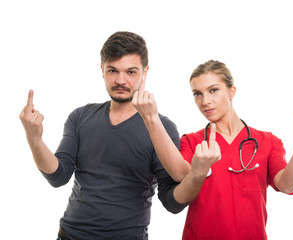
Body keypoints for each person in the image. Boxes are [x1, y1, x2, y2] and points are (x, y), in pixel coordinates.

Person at [19, 31, 189, 240]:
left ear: (145, 73)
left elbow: (171, 201)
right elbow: (58, 176)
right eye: (112, 71)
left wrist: (197, 174)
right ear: (102, 70)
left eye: (131, 72)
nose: (120, 80)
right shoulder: (80, 116)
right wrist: (35, 140)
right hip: (69, 235)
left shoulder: (162, 126)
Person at [133, 59, 293, 239]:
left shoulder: (267, 141)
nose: (205, 101)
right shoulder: (192, 141)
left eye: (213, 90)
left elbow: (287, 185)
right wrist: (151, 117)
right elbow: (180, 174)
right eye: (197, 94)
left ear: (231, 92)